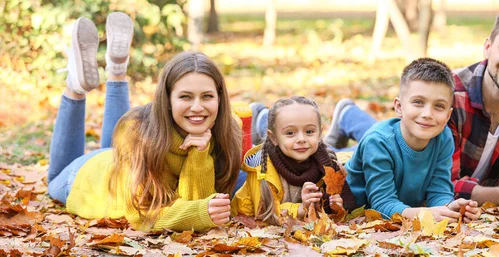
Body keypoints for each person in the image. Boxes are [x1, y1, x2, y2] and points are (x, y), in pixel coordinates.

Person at [323, 8, 499, 211]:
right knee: (349, 154)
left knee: (400, 131)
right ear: (488, 48)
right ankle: (345, 121)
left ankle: (349, 115)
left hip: (412, 145)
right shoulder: (450, 95)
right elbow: (447, 183)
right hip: (398, 156)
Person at [47, 13, 241, 232]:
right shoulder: (137, 132)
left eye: (207, 96)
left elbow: (195, 207)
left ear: (220, 98)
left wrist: (199, 154)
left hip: (120, 162)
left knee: (124, 140)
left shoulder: (227, 131)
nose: (197, 107)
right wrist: (200, 213)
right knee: (54, 178)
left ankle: (117, 69)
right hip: (88, 177)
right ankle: (75, 86)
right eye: (185, 97)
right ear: (167, 99)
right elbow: (143, 216)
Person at [345, 58, 479, 222]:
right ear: (399, 107)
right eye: (418, 102)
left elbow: (439, 191)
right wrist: (425, 214)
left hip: (403, 208)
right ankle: (346, 113)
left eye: (439, 106)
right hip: (356, 209)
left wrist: (448, 209)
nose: (427, 114)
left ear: (448, 115)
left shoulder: (443, 137)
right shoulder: (378, 142)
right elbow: (381, 205)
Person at [232, 96, 358, 225]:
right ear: (273, 138)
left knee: (351, 154)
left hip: (301, 227)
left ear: (319, 133)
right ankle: (258, 116)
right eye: (290, 133)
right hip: (254, 222)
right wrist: (300, 208)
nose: (301, 139)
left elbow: (342, 207)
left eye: (309, 131)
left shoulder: (327, 163)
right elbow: (265, 214)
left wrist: (336, 207)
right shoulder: (263, 169)